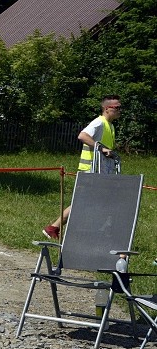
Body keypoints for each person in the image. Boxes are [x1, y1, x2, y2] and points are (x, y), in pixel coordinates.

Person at [42, 95, 122, 240]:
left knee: (89, 203)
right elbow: (82, 136)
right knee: (88, 203)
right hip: (90, 171)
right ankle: (60, 229)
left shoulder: (110, 126)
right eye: (117, 108)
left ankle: (55, 228)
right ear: (106, 108)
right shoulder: (99, 122)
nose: (120, 110)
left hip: (99, 172)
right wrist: (101, 148)